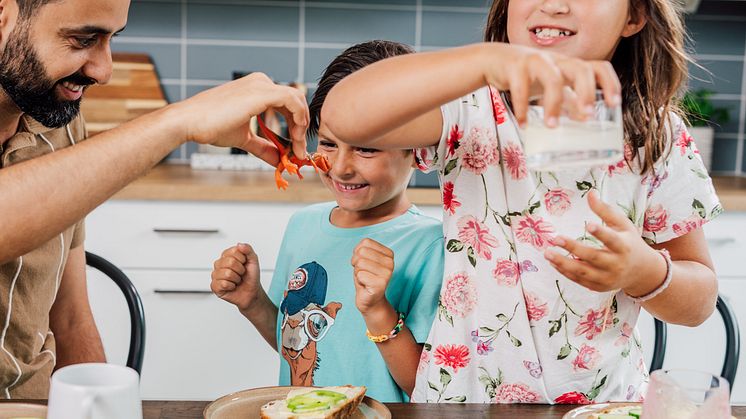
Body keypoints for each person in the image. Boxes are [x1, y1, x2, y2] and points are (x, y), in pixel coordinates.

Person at [320, 0, 721, 404]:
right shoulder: (468, 111)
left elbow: (700, 303)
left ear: (634, 17)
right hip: (463, 403)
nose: (553, 4)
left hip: (602, 405)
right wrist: (486, 61)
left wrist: (645, 272)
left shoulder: (658, 136)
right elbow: (344, 115)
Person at [0, 0, 307, 399]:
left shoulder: (60, 119)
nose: (103, 70)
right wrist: (179, 120)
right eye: (81, 40)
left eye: (111, 38)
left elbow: (71, 316)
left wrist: (105, 407)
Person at [210, 40, 444, 402]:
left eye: (366, 148)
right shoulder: (303, 225)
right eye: (330, 144)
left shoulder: (432, 245)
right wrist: (253, 301)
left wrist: (379, 311)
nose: (341, 167)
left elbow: (426, 385)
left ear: (418, 151)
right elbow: (299, 349)